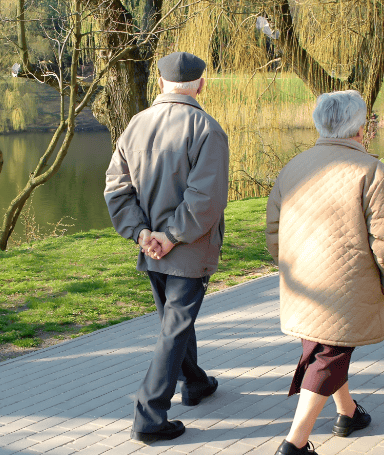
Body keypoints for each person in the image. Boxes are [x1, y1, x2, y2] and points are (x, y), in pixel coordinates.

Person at [266, 90, 384, 455]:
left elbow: (274, 231)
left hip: (302, 283)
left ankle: (347, 412)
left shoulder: (293, 166)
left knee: (325, 346)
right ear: (360, 128)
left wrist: (286, 267)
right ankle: (294, 444)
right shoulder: (375, 173)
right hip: (348, 284)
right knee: (329, 353)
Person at [104, 51, 229, 443]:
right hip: (186, 249)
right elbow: (205, 198)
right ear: (201, 84)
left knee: (174, 324)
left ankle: (195, 383)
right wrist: (171, 236)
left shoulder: (135, 126)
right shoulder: (207, 128)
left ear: (160, 82)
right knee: (173, 329)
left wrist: (141, 234)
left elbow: (117, 189)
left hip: (152, 248)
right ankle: (149, 416)